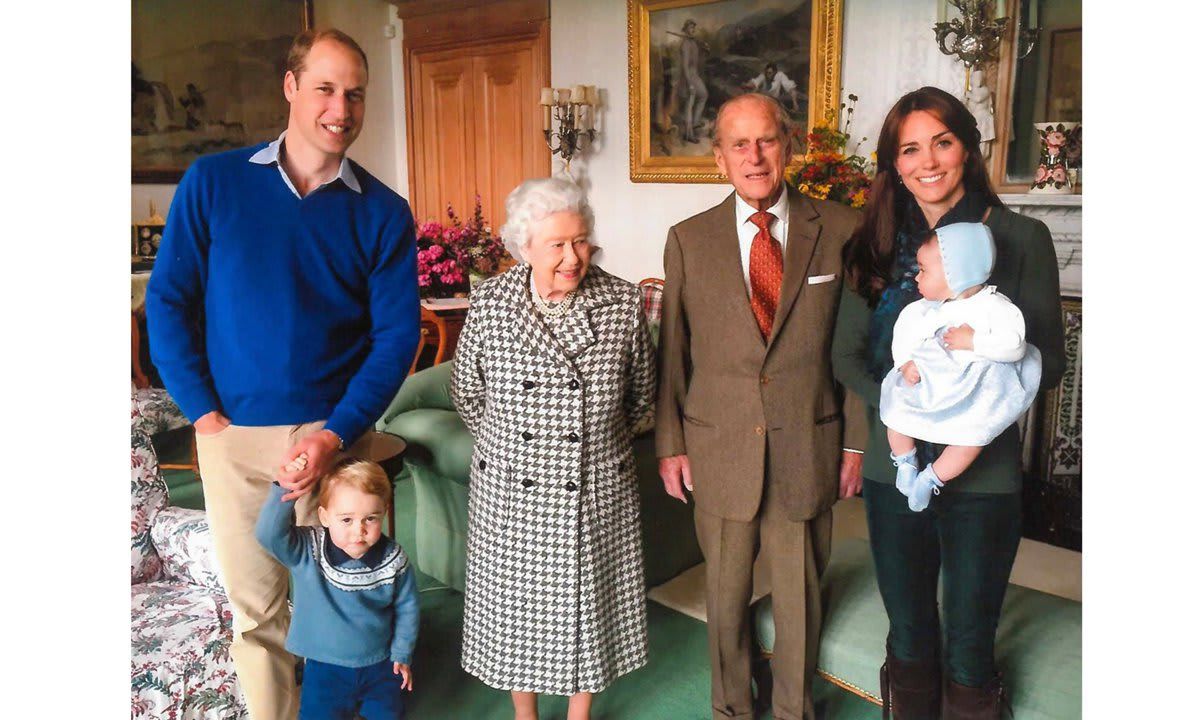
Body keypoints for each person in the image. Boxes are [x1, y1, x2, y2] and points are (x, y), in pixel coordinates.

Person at [146, 28, 420, 719]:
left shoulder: (383, 211)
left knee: (349, 601)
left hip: (335, 437)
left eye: (355, 93)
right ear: (291, 87)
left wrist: (335, 435)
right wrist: (200, 408)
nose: (341, 108)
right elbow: (169, 298)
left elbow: (395, 339)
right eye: (325, 88)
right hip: (232, 435)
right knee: (257, 618)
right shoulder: (215, 182)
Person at [831, 86, 1065, 719]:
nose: (927, 161)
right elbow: (846, 358)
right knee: (908, 634)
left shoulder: (1021, 238)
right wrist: (913, 403)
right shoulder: (875, 242)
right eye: (910, 148)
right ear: (893, 162)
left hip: (984, 475)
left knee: (969, 641)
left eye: (943, 142)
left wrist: (969, 407)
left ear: (967, 148)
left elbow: (1050, 365)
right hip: (893, 469)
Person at [656, 92, 866, 720]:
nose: (754, 156)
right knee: (724, 597)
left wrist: (855, 441)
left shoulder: (843, 230)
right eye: (739, 144)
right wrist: (670, 443)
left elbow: (860, 350)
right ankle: (730, 709)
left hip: (809, 441)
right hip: (718, 445)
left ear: (789, 145)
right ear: (719, 158)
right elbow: (674, 354)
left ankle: (794, 710)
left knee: (800, 594)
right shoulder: (688, 240)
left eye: (766, 140)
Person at [450, 177, 656, 720]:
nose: (573, 257)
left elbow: (641, 397)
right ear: (524, 248)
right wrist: (508, 451)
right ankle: (525, 712)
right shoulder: (492, 300)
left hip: (592, 484)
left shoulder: (618, 300)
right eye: (557, 245)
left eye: (581, 240)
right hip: (511, 490)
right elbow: (467, 391)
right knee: (518, 612)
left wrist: (597, 444)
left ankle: (579, 712)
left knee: (586, 609)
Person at [880, 222, 1043, 512]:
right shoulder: (923, 309)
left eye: (923, 270)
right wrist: (904, 363)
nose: (916, 277)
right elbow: (903, 336)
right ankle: (905, 462)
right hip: (928, 383)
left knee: (972, 438)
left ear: (957, 273)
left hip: (972, 391)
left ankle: (931, 478)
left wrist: (974, 341)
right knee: (894, 411)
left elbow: (1015, 345)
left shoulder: (995, 307)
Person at [255, 457, 419, 719]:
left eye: (371, 518)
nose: (359, 531)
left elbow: (407, 608)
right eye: (346, 520)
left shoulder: (393, 558)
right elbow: (269, 534)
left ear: (384, 513)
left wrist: (402, 652)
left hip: (381, 664)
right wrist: (286, 488)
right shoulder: (307, 550)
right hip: (325, 669)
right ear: (325, 516)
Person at [677, 19, 709, 144]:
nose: (693, 30)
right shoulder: (685, 44)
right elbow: (685, 65)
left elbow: (699, 60)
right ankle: (688, 134)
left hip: (695, 75)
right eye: (690, 28)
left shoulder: (694, 43)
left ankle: (695, 123)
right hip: (688, 76)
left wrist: (705, 49)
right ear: (685, 30)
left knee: (704, 95)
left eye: (693, 28)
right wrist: (689, 83)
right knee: (689, 104)